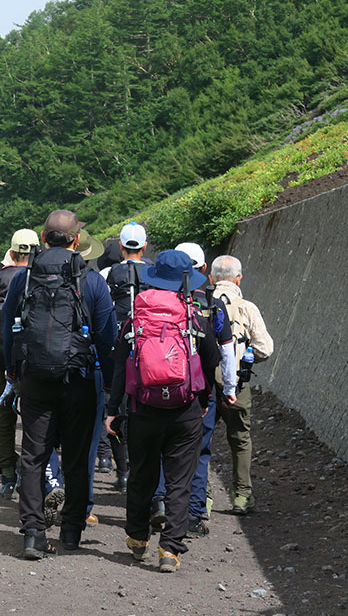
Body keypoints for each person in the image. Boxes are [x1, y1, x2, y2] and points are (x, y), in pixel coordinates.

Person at [3, 210, 116, 560]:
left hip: (35, 379)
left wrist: (12, 371)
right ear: (76, 240)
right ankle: (71, 530)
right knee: (78, 458)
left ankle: (34, 533)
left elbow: (10, 327)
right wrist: (111, 387)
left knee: (34, 457)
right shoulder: (91, 279)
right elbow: (107, 338)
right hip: (80, 380)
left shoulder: (24, 278)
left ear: (43, 236)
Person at [104, 250, 221, 573]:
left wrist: (112, 409)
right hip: (185, 410)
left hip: (142, 408)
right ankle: (170, 549)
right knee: (179, 480)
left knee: (142, 474)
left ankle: (138, 538)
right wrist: (205, 399)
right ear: (186, 281)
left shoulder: (135, 318)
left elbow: (119, 365)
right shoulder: (194, 317)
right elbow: (211, 361)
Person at [150, 242, 236, 537]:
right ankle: (196, 513)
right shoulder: (212, 304)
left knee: (162, 447)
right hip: (199, 390)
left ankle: (160, 501)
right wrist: (228, 387)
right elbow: (226, 351)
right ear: (202, 271)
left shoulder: (157, 301)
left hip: (159, 385)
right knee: (199, 451)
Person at [0, 228, 39, 498]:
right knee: (36, 415)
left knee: (3, 414)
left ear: (12, 253)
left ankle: (7, 474)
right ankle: (34, 473)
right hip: (34, 357)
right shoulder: (41, 278)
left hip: (0, 355)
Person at [210, 254, 274, 514]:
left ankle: (202, 499)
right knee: (240, 439)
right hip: (237, 382)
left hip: (204, 385)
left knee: (200, 441)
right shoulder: (247, 307)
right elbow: (265, 348)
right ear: (238, 278)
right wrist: (246, 362)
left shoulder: (202, 302)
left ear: (211, 278)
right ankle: (242, 496)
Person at [96, 221, 153, 491]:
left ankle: (122, 471)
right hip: (150, 348)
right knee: (144, 408)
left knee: (116, 407)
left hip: (119, 347)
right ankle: (143, 466)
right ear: (144, 246)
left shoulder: (108, 272)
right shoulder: (155, 272)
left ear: (120, 246)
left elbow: (103, 312)